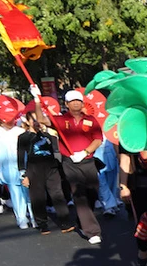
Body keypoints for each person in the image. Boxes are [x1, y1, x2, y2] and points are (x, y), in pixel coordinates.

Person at [33, 88, 105, 244]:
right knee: (79, 194)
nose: (76, 104)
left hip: (87, 161)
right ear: (66, 104)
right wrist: (37, 101)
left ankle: (83, 220)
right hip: (70, 162)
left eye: (78, 101)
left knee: (92, 193)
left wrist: (84, 152)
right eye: (72, 101)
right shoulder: (59, 120)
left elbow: (98, 140)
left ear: (82, 103)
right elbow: (41, 119)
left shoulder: (91, 120)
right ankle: (92, 231)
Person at [17, 111, 74, 235]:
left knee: (57, 194)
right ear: (27, 121)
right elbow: (20, 157)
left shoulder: (48, 136)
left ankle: (65, 222)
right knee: (38, 197)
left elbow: (56, 152)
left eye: (38, 119)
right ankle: (42, 224)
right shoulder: (24, 137)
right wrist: (23, 175)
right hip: (34, 170)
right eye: (33, 120)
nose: (36, 122)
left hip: (51, 169)